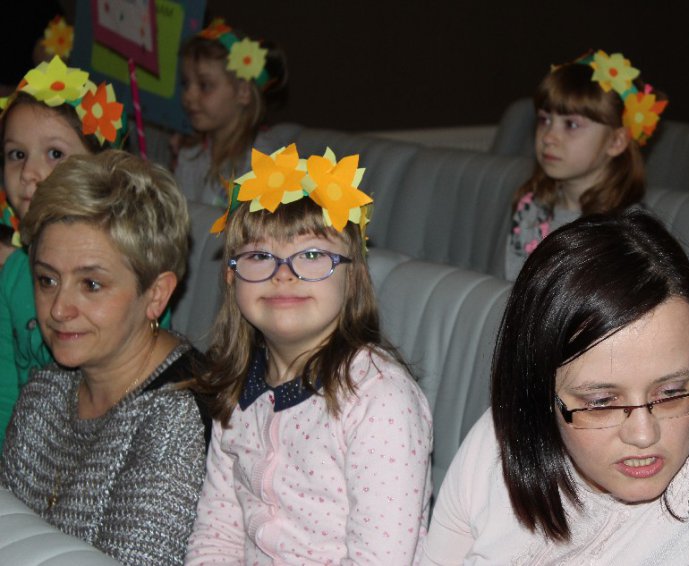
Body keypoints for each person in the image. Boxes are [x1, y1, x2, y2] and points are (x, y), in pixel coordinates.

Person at [424, 210, 689, 564]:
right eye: (602, 402)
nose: (644, 435)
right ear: (539, 392)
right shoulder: (503, 437)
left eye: (672, 393)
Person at [185, 144, 433, 564]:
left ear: (353, 277)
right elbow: (216, 537)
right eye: (259, 255)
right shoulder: (239, 389)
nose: (284, 274)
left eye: (313, 255)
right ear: (231, 277)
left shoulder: (379, 399)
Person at [0, 150, 209, 566]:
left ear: (156, 294)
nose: (59, 309)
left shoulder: (178, 418)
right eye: (47, 279)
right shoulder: (48, 388)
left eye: (91, 284)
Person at [0, 56, 126, 446]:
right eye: (17, 154)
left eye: (54, 153)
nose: (29, 173)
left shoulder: (127, 265)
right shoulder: (13, 272)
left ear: (101, 165)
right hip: (28, 457)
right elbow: (4, 394)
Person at [505, 49, 667, 280]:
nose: (548, 137)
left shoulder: (629, 231)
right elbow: (514, 288)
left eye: (571, 125)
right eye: (544, 119)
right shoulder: (532, 210)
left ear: (616, 141)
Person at [173, 18, 288, 207]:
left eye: (204, 85)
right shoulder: (191, 154)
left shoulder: (263, 161)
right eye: (186, 84)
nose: (188, 96)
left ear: (243, 92)